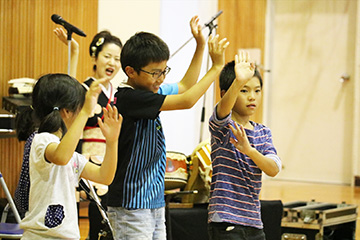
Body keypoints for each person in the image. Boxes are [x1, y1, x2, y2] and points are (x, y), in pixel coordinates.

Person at [107, 23, 229, 238]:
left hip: (152, 200)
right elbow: (187, 100)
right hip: (131, 204)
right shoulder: (129, 98)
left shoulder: (148, 89)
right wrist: (216, 68)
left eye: (164, 71)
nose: (161, 78)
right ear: (131, 72)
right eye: (155, 73)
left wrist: (200, 46)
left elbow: (185, 86)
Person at [17, 73, 122, 239]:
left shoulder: (70, 154)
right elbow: (61, 157)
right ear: (66, 111)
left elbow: (105, 176)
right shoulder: (42, 139)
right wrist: (86, 111)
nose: (83, 115)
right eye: (80, 109)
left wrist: (112, 141)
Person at [207, 52, 282, 240]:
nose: (252, 97)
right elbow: (222, 110)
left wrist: (249, 150)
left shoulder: (263, 133)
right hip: (225, 220)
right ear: (226, 94)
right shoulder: (223, 127)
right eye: (244, 90)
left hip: (254, 222)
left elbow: (273, 169)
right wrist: (237, 82)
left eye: (257, 91)